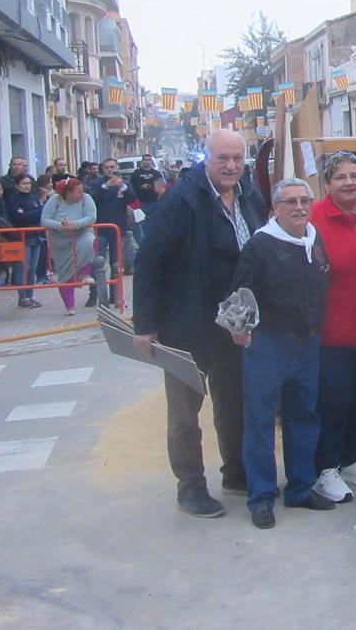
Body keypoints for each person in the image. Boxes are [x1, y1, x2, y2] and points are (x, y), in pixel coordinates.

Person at [133, 129, 266, 518]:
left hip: (233, 321)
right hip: (184, 322)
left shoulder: (250, 196)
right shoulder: (182, 199)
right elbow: (149, 260)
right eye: (222, 158)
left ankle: (236, 473)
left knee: (233, 402)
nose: (230, 166)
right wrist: (145, 323)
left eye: (237, 159)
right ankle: (190, 486)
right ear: (205, 158)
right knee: (184, 412)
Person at [231, 178, 338, 529]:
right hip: (268, 345)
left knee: (303, 416)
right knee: (260, 422)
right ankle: (261, 497)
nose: (298, 207)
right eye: (290, 201)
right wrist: (241, 331)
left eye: (304, 200)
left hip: (307, 344)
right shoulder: (260, 245)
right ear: (275, 207)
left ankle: (301, 488)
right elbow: (240, 292)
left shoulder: (313, 237)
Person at [309, 152, 356, 504]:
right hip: (332, 333)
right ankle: (324, 468)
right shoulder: (313, 220)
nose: (350, 183)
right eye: (341, 177)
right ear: (327, 183)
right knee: (333, 403)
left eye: (355, 175)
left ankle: (349, 456)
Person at [40, 178, 97, 316]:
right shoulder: (54, 200)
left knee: (89, 242)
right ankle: (70, 307)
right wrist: (59, 225)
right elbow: (45, 219)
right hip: (60, 242)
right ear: (68, 193)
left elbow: (91, 217)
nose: (81, 194)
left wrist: (76, 224)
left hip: (81, 233)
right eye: (78, 192)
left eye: (82, 191)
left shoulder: (86, 198)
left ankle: (85, 273)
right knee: (65, 273)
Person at [89, 158, 134, 307]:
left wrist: (123, 187)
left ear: (117, 167)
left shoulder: (123, 182)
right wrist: (105, 186)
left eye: (112, 167)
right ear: (103, 169)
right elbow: (93, 200)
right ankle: (94, 295)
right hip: (101, 229)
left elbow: (133, 200)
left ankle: (115, 296)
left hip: (118, 229)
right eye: (107, 167)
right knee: (98, 263)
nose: (110, 170)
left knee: (116, 264)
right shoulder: (97, 183)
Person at [4, 173, 44, 308]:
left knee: (32, 269)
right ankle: (23, 297)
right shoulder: (13, 199)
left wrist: (30, 213)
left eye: (29, 183)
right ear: (17, 185)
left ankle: (31, 294)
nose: (27, 186)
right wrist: (33, 213)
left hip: (36, 236)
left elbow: (41, 212)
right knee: (23, 268)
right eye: (24, 184)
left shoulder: (33, 197)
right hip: (22, 237)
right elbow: (18, 217)